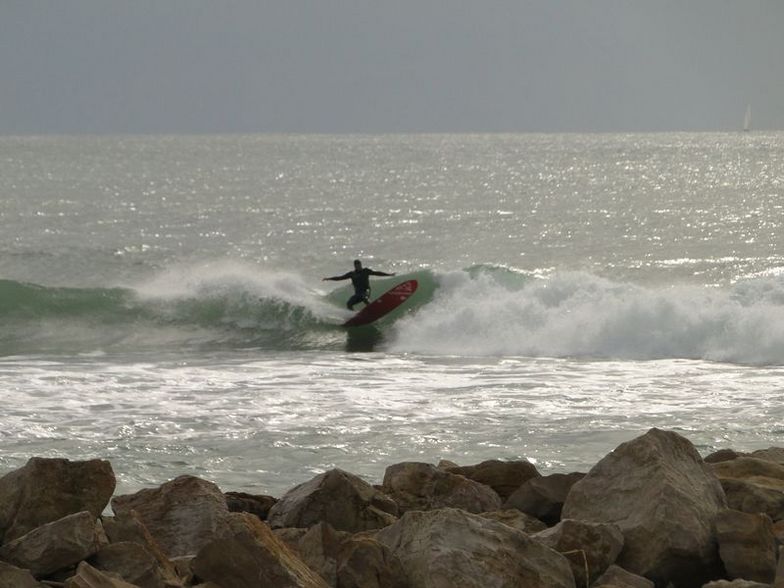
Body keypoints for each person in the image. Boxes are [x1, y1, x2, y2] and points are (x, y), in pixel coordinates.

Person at [323, 260, 395, 310]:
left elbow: (377, 273)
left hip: (366, 290)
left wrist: (388, 274)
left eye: (359, 265)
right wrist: (329, 278)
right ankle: (353, 316)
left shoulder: (366, 271)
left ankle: (372, 309)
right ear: (355, 266)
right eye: (357, 265)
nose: (358, 266)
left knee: (364, 297)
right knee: (349, 303)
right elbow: (340, 278)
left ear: (361, 265)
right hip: (357, 293)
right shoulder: (352, 274)